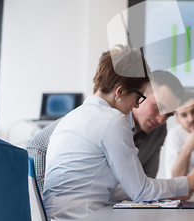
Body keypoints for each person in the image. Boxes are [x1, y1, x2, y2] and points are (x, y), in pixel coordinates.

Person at [43, 45, 194, 220]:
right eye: (137, 99)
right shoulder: (112, 120)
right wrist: (189, 182)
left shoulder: (72, 116)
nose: (135, 105)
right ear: (119, 92)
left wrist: (169, 190)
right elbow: (141, 190)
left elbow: (111, 190)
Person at [25, 70, 183, 192]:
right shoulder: (102, 117)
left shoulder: (159, 131)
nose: (161, 119)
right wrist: (41, 201)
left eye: (168, 114)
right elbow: (36, 145)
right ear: (140, 96)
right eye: (158, 107)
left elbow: (147, 180)